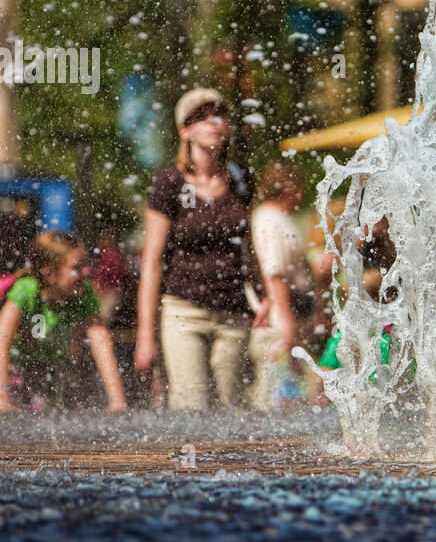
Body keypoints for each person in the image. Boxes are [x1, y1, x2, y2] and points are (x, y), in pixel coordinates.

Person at [135, 88, 270, 411]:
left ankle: (227, 465)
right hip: (184, 311)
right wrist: (145, 334)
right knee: (190, 409)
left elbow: (249, 247)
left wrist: (264, 295)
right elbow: (152, 261)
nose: (212, 122)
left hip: (233, 313)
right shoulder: (169, 184)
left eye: (218, 115)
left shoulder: (241, 180)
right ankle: (186, 463)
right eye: (201, 116)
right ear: (185, 131)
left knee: (230, 411)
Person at [0, 231, 127, 413]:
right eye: (77, 267)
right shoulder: (26, 289)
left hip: (47, 364)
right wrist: (1, 402)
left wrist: (117, 401)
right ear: (49, 273)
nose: (86, 272)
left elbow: (100, 339)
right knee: (11, 421)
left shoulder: (83, 293)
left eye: (86, 264)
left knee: (46, 419)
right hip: (9, 364)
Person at [249, 162, 318, 410]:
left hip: (289, 314)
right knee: (275, 400)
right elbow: (274, 274)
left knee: (291, 397)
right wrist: (287, 323)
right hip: (279, 321)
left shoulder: (278, 217)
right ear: (289, 187)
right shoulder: (269, 218)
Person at [92, 230, 129, 324]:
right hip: (113, 290)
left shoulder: (107, 256)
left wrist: (99, 287)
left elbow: (102, 275)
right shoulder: (116, 255)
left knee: (103, 314)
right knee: (103, 313)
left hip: (109, 290)